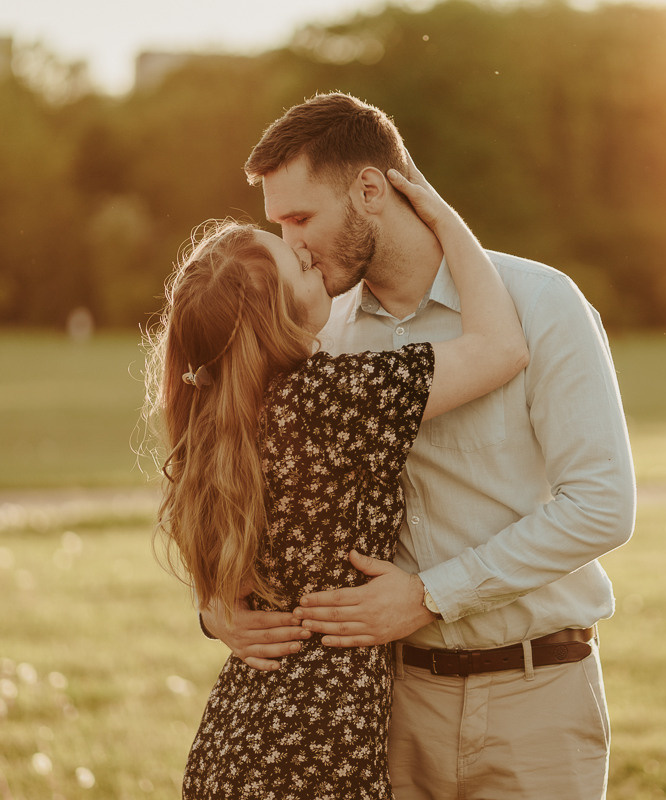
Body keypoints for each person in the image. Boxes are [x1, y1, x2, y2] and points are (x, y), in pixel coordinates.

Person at [203, 92, 637, 798]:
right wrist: (216, 604)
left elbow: (602, 507)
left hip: (538, 697)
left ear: (370, 189)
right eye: (278, 225)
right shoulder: (318, 330)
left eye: (301, 218)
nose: (292, 246)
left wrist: (433, 596)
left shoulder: (541, 303)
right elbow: (235, 475)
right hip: (388, 707)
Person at [144, 162, 528, 799]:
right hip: (321, 747)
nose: (304, 252)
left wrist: (213, 617)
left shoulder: (209, 425)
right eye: (294, 264)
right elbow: (500, 348)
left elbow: (225, 584)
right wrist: (440, 215)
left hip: (234, 736)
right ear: (277, 318)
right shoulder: (333, 399)